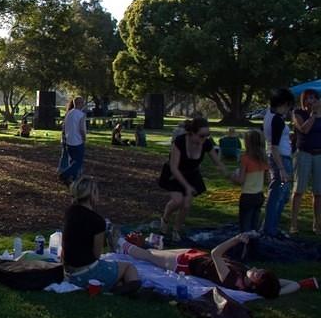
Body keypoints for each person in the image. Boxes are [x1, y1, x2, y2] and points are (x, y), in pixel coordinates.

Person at [117, 232, 299, 299]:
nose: (257, 270)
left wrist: (236, 239)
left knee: (147, 255)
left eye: (258, 274)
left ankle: (118, 243)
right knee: (152, 253)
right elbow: (293, 283)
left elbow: (216, 253)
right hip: (195, 256)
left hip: (185, 264)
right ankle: (127, 243)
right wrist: (273, 294)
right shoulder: (249, 281)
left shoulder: (233, 279)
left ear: (255, 284)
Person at [61, 176, 140, 294]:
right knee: (129, 267)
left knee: (115, 271)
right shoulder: (97, 220)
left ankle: (116, 285)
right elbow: (96, 255)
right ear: (92, 194)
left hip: (68, 272)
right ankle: (121, 291)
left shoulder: (70, 212)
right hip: (86, 273)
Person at [158, 117, 227, 242]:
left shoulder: (206, 143)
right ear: (192, 133)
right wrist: (187, 186)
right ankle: (165, 219)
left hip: (191, 175)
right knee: (178, 200)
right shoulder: (179, 141)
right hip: (175, 174)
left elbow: (217, 161)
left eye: (207, 135)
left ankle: (176, 230)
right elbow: (174, 167)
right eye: (201, 135)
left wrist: (227, 173)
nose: (205, 138)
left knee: (186, 204)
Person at [262, 88, 295, 237]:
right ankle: (269, 229)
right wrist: (281, 168)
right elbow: (275, 146)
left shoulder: (270, 115)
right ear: (283, 103)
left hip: (279, 157)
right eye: (288, 106)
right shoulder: (276, 120)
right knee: (277, 195)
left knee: (282, 195)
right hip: (280, 159)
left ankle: (271, 227)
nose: (289, 110)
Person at [291, 88, 321, 235]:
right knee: (299, 191)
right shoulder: (298, 113)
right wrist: (313, 115)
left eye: (315, 98)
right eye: (309, 98)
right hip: (303, 154)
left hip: (319, 155)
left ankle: (317, 224)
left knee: (319, 192)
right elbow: (304, 129)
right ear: (304, 100)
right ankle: (294, 224)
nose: (312, 101)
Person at [229, 129, 268, 233]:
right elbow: (267, 179)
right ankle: (254, 246)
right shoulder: (263, 158)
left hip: (247, 196)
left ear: (248, 143)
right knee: (254, 227)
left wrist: (231, 177)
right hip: (259, 195)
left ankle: (244, 248)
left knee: (245, 228)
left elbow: (241, 180)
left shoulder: (245, 158)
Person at [59, 97, 87, 185]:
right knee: (78, 162)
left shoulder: (69, 114)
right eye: (83, 103)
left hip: (69, 140)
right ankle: (64, 174)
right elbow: (82, 129)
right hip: (77, 141)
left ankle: (73, 179)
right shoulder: (81, 115)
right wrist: (84, 138)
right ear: (80, 103)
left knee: (72, 161)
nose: (84, 105)